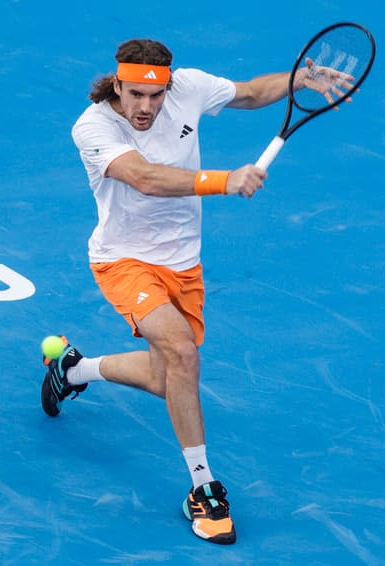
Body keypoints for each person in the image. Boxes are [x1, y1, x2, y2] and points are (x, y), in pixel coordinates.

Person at [41, 38, 353, 545]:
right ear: (117, 84)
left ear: (168, 85)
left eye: (155, 96)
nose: (145, 106)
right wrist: (225, 180)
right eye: (135, 95)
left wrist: (296, 80)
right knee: (183, 353)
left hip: (184, 264)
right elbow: (143, 178)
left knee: (170, 379)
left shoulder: (189, 87)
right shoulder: (93, 125)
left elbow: (250, 93)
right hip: (124, 260)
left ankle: (72, 370)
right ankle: (203, 488)